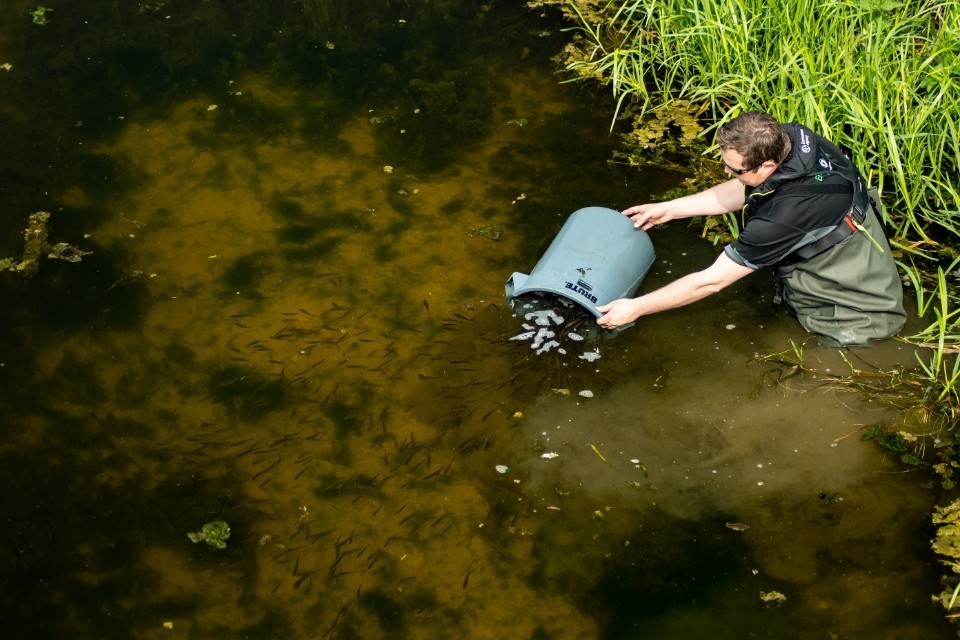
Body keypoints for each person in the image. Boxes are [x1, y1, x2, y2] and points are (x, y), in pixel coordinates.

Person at [596, 111, 906, 347]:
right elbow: (745, 186)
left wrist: (635, 307)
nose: (726, 171)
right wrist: (670, 209)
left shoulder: (781, 219)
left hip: (856, 319)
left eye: (734, 169)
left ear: (768, 166)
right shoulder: (793, 139)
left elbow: (711, 282)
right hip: (849, 243)